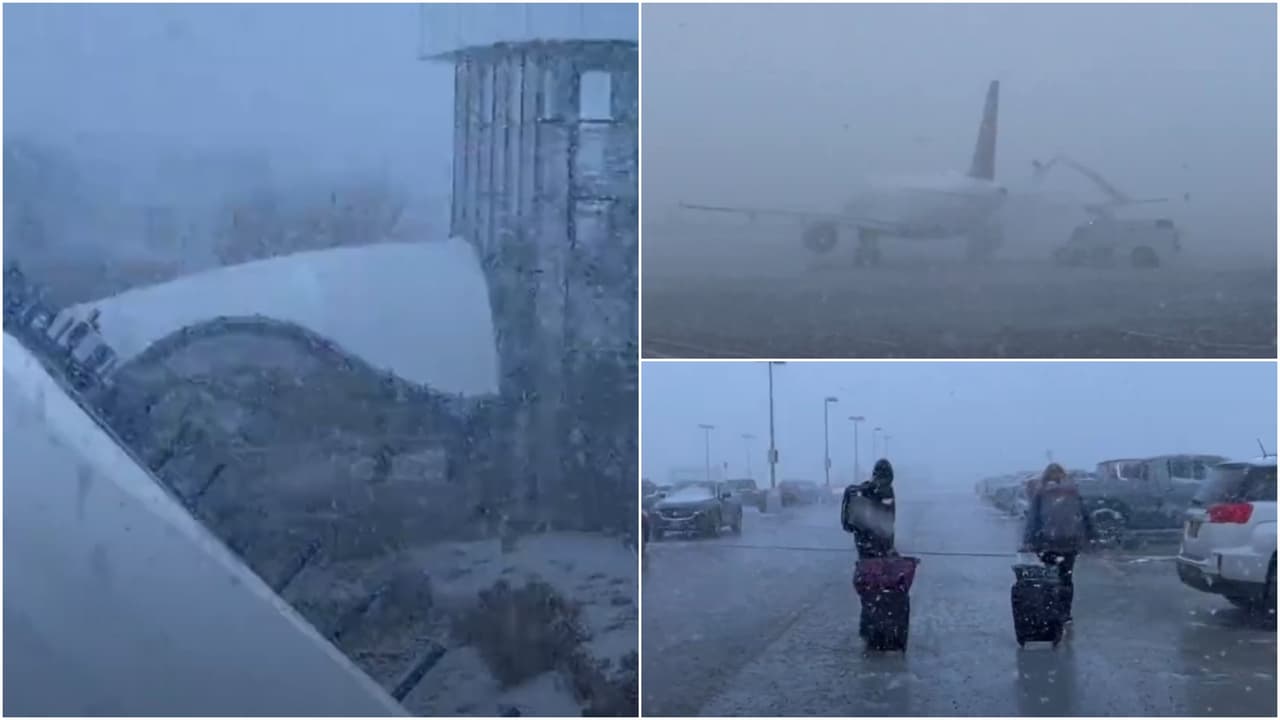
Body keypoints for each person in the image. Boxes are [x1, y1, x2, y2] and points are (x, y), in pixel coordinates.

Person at [1021, 462, 1094, 622]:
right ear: (1063, 475)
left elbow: (1033, 519)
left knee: (1051, 577)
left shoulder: (1041, 493)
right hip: (1070, 542)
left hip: (1048, 542)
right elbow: (1084, 515)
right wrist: (1091, 536)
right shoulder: (1073, 492)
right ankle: (1065, 612)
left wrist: (1028, 541)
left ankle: (1052, 608)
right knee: (1066, 578)